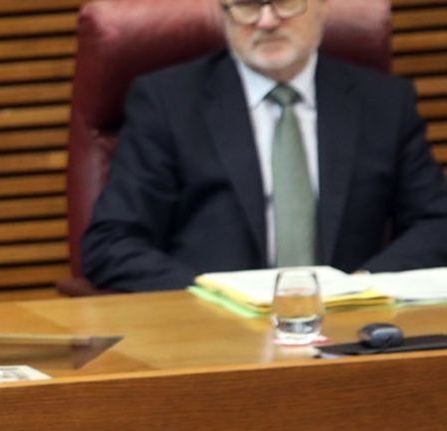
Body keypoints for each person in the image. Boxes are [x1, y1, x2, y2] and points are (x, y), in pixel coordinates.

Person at [81, 0, 447, 293]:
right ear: (223, 14)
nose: (267, 21)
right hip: (215, 337)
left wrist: (365, 285)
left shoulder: (383, 103)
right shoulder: (168, 103)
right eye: (247, 5)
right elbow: (111, 242)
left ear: (323, 6)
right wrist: (211, 295)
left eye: (286, 3)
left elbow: (437, 223)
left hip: (348, 333)